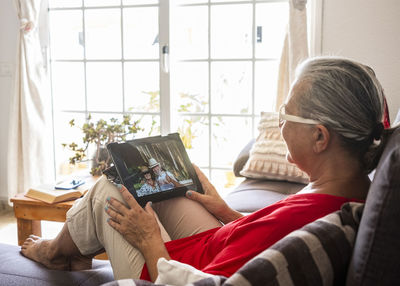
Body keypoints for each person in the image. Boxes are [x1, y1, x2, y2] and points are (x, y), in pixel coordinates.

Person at [20, 57, 398, 282]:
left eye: (286, 113)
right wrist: (225, 212)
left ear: (320, 137)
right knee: (149, 175)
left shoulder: (318, 215)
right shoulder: (343, 191)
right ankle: (70, 250)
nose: (279, 122)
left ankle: (56, 252)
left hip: (172, 272)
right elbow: (265, 237)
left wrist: (150, 239)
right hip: (214, 244)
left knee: (108, 189)